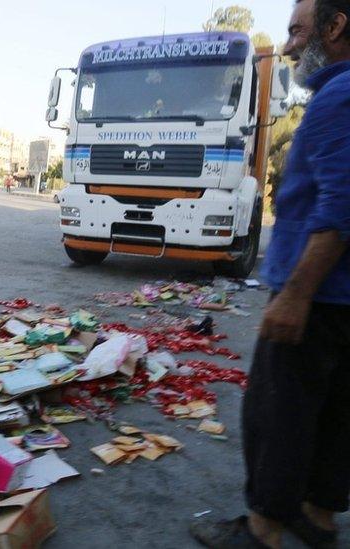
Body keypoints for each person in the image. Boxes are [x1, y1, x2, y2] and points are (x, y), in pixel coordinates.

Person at [190, 1, 350, 548]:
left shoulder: (338, 97)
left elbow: (340, 209)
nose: (284, 47)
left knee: (277, 416)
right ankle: (318, 519)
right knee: (334, 417)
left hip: (317, 299)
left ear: (336, 26)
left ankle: (262, 533)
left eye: (296, 30)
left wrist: (294, 296)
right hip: (341, 302)